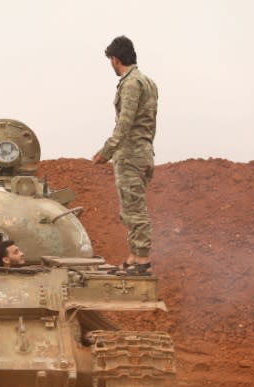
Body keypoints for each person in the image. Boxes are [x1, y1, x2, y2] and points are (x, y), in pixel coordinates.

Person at [92, 35, 158, 276]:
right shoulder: (149, 82)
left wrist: (106, 151)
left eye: (111, 60)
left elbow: (125, 124)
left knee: (135, 209)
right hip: (142, 154)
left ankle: (142, 262)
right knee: (129, 207)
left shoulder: (131, 83)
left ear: (115, 59)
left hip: (131, 155)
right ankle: (133, 258)